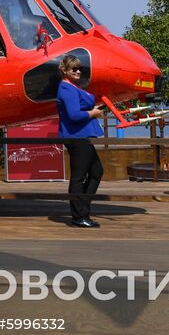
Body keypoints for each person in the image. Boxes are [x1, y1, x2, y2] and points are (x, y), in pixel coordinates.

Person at [56, 54, 105, 228]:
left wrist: (93, 109)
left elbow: (78, 109)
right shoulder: (66, 89)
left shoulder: (72, 87)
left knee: (97, 171)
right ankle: (79, 216)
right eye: (73, 69)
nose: (77, 71)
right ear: (64, 70)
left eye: (79, 69)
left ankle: (83, 209)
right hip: (76, 137)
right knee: (78, 177)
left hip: (81, 136)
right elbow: (74, 115)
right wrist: (94, 113)